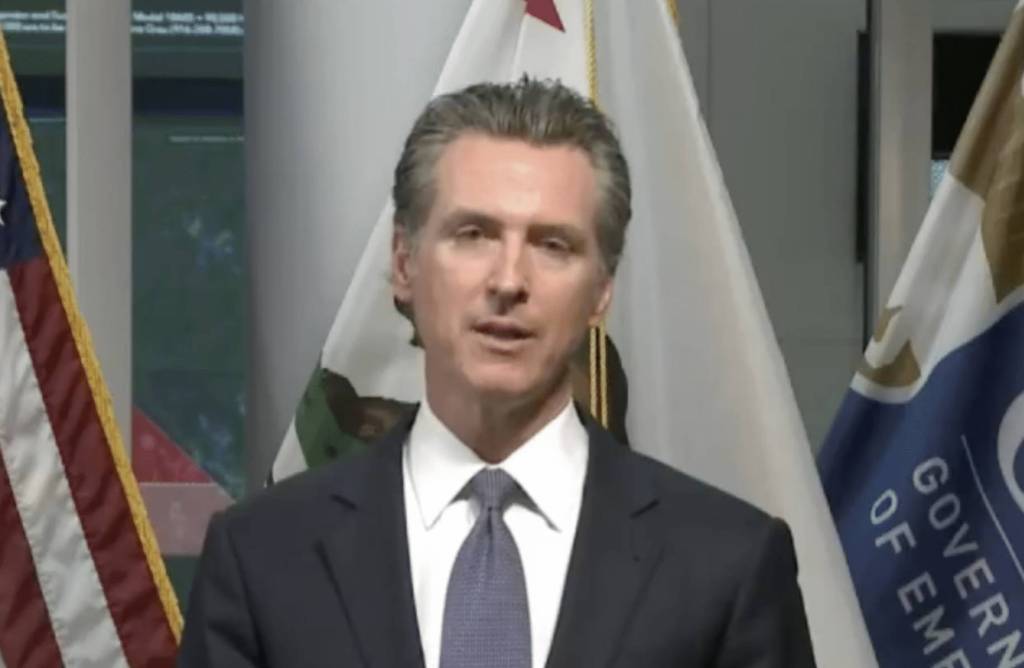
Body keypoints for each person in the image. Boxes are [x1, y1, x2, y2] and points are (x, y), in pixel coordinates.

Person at [178, 77, 816, 668]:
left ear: (601, 290)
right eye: (473, 234)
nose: (509, 280)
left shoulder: (728, 564)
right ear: (403, 263)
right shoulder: (261, 556)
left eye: (553, 245)